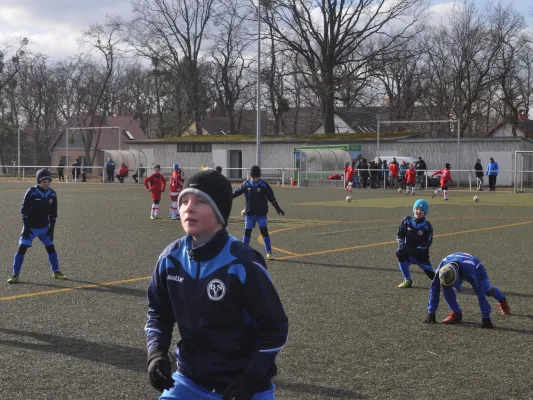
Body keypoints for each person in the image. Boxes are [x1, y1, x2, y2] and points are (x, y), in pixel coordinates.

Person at [145, 170, 288, 400]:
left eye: (200, 201)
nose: (188, 208)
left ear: (220, 212)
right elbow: (158, 312)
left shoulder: (243, 264)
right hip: (189, 381)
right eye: (184, 201)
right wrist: (156, 352)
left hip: (244, 387)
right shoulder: (170, 259)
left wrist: (250, 378)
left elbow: (275, 328)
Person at [423, 252, 510, 328]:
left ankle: (502, 300)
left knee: (487, 290)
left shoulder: (470, 271)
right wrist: (431, 313)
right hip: (457, 265)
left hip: (476, 267)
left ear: (457, 278)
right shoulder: (442, 268)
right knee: (446, 287)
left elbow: (479, 293)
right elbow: (434, 288)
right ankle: (456, 314)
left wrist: (485, 318)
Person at [8, 169, 65, 283]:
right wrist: (27, 226)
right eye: (43, 181)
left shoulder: (52, 194)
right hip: (30, 228)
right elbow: (24, 211)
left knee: (51, 248)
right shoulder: (32, 192)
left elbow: (53, 214)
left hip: (44, 228)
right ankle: (15, 275)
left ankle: (56, 272)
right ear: (38, 181)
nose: (46, 183)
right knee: (22, 249)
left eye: (48, 181)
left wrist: (51, 229)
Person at [233, 165, 285, 260]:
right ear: (251, 176)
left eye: (256, 177)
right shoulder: (246, 184)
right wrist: (227, 196)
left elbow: (271, 198)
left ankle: (269, 253)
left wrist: (277, 208)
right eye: (253, 177)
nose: (254, 179)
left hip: (261, 214)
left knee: (264, 232)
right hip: (249, 214)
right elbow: (235, 193)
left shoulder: (264, 185)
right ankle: (244, 253)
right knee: (247, 233)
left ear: (259, 176)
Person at [395, 199, 435, 288]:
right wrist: (402, 244)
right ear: (414, 209)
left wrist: (415, 250)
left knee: (435, 278)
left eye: (421, 210)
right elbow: (399, 235)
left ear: (425, 212)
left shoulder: (427, 226)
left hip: (420, 255)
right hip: (408, 251)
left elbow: (427, 242)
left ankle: (448, 279)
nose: (418, 212)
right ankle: (407, 280)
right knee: (399, 253)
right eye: (417, 209)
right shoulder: (406, 221)